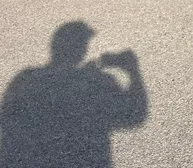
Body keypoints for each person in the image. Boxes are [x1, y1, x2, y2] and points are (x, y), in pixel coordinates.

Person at [0, 22, 147, 168]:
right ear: (81, 50)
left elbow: (7, 120)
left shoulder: (25, 78)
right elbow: (134, 116)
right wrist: (132, 70)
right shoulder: (98, 82)